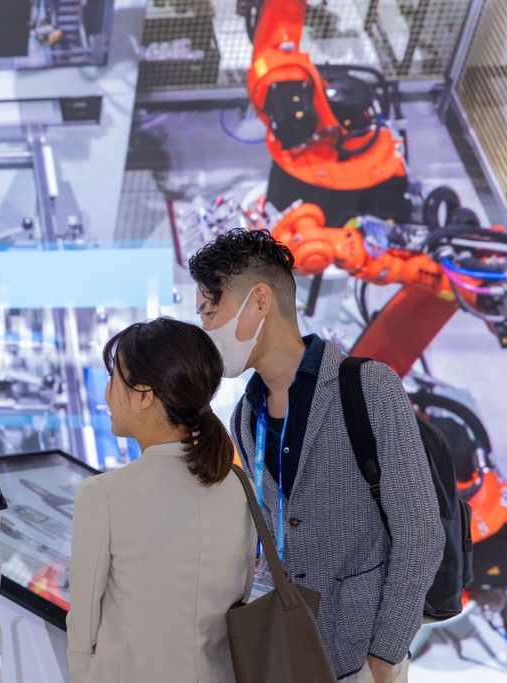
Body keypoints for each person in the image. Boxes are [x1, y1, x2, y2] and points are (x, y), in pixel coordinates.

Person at [189, 229, 444, 683]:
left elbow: (420, 536)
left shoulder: (368, 387)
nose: (207, 329)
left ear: (260, 301)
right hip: (292, 655)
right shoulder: (245, 415)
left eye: (211, 311)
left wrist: (382, 659)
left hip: (364, 659)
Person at [67, 318, 256, 683]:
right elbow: (240, 597)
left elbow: (83, 628)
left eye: (113, 378)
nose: (107, 394)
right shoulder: (239, 485)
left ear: (144, 395)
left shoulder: (103, 495)